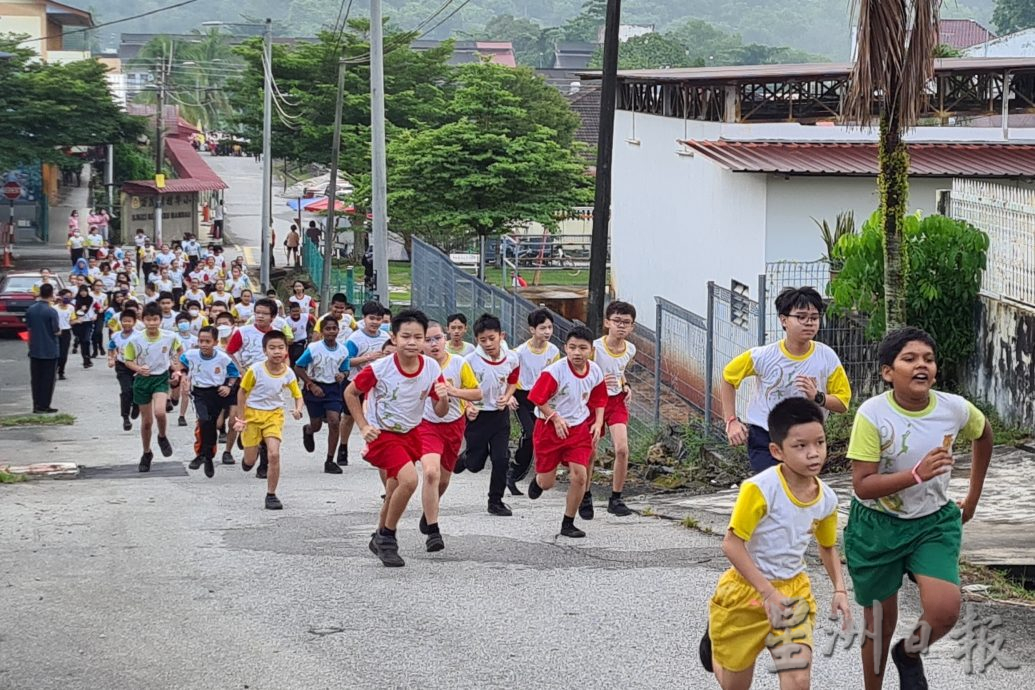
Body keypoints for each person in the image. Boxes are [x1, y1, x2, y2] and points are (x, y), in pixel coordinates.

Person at [843, 327, 992, 690]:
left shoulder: (953, 408)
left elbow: (984, 434)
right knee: (880, 623)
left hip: (932, 522)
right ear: (888, 372)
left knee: (944, 610)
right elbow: (863, 484)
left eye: (928, 359)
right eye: (909, 359)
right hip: (876, 525)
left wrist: (972, 498)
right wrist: (915, 474)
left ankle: (909, 653)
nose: (921, 365)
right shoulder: (872, 415)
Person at [701, 397, 851, 689]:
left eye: (820, 443)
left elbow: (827, 546)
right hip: (746, 593)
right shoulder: (759, 489)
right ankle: (716, 648)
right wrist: (767, 592)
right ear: (777, 451)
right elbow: (731, 544)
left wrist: (840, 589)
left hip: (794, 592)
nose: (814, 453)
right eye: (800, 446)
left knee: (798, 679)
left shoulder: (827, 499)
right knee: (735, 685)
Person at [345, 308, 448, 567]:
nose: (412, 342)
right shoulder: (380, 368)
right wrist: (363, 426)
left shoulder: (431, 367)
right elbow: (350, 393)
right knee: (410, 480)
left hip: (411, 434)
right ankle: (388, 538)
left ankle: (378, 535)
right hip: (383, 434)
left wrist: (444, 398)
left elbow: (440, 410)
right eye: (405, 336)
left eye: (418, 337)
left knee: (393, 490)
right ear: (393, 338)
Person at [721, 287, 852, 474]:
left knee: (800, 487)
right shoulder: (762, 356)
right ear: (784, 320)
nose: (809, 323)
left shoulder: (827, 357)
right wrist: (731, 421)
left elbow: (843, 403)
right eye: (801, 317)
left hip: (807, 439)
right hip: (766, 435)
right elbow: (728, 378)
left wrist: (818, 397)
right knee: (774, 484)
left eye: (814, 318)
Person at [526, 326, 607, 538]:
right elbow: (536, 397)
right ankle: (538, 482)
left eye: (582, 348)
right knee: (548, 483)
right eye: (572, 347)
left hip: (578, 428)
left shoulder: (595, 371)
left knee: (580, 476)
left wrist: (598, 422)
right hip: (548, 428)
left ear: (591, 350)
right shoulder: (555, 372)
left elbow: (600, 398)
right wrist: (554, 417)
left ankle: (568, 523)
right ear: (565, 348)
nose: (577, 353)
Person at [416, 320, 482, 551]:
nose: (433, 344)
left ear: (445, 339)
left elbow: (477, 393)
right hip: (426, 425)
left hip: (454, 426)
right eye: (427, 340)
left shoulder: (459, 363)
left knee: (443, 480)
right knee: (430, 473)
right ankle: (433, 531)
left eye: (437, 338)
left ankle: (429, 511)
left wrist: (455, 392)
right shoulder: (418, 366)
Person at [234, 331, 304, 510]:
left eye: (281, 347)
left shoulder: (288, 372)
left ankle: (271, 495)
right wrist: (241, 418)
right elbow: (242, 392)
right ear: (265, 350)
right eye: (272, 348)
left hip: (274, 415)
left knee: (274, 454)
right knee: (249, 462)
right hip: (252, 416)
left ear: (286, 350)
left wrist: (298, 409)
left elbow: (297, 395)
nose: (277, 351)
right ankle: (253, 449)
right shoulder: (255, 370)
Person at [460, 313, 520, 517]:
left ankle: (495, 501)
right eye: (482, 340)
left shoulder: (511, 357)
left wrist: (508, 396)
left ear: (501, 336)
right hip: (477, 417)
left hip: (499, 415)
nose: (487, 344)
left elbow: (514, 379)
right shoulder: (469, 361)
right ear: (476, 339)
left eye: (491, 338)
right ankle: (464, 459)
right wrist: (468, 406)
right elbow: (460, 387)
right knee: (475, 465)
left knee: (501, 459)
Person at [583, 300, 639, 519]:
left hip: (616, 401)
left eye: (626, 322)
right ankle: (585, 494)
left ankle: (616, 498)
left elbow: (619, 370)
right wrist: (596, 384)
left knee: (622, 449)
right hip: (594, 402)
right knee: (591, 451)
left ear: (632, 326)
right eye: (617, 321)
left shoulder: (630, 349)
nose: (621, 326)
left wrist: (626, 385)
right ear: (607, 322)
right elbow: (582, 372)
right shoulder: (595, 348)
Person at [123, 302, 184, 472]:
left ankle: (162, 436)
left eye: (155, 319)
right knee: (147, 422)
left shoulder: (170, 337)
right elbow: (128, 360)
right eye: (148, 320)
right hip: (142, 381)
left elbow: (180, 352)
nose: (152, 323)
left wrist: (177, 370)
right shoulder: (135, 340)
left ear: (160, 320)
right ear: (142, 320)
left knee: (160, 412)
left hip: (160, 378)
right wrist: (138, 368)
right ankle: (146, 452)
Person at [507, 309, 560, 496]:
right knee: (529, 434)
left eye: (550, 327)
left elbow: (555, 377)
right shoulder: (519, 352)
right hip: (522, 397)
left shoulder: (553, 351)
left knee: (542, 438)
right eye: (542, 328)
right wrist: (509, 395)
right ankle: (513, 472)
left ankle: (526, 475)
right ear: (532, 329)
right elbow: (508, 375)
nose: (547, 332)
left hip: (542, 398)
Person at [294, 316, 351, 475]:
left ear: (338, 330)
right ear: (322, 331)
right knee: (317, 424)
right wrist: (311, 384)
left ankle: (330, 460)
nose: (331, 332)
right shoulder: (314, 348)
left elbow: (346, 369)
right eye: (328, 328)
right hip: (314, 387)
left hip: (333, 389)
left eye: (334, 328)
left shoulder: (343, 350)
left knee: (334, 421)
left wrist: (343, 375)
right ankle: (309, 430)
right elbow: (298, 367)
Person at [182, 326, 240, 478]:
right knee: (203, 420)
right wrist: (182, 377)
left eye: (207, 341)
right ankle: (202, 454)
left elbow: (234, 374)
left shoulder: (222, 358)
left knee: (212, 424)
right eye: (201, 341)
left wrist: (228, 387)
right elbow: (181, 365)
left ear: (215, 342)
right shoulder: (191, 354)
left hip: (216, 393)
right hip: (199, 392)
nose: (203, 344)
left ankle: (207, 457)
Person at [339, 301, 391, 466]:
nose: (375, 322)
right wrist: (367, 358)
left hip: (376, 385)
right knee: (349, 417)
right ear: (364, 318)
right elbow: (346, 361)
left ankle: (374, 450)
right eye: (371, 318)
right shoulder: (355, 339)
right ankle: (343, 446)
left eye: (378, 319)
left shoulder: (386, 337)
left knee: (376, 417)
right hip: (355, 382)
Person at [25, 283, 60, 414]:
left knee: (36, 378)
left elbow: (28, 328)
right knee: (48, 379)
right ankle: (45, 404)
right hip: (49, 349)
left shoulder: (31, 309)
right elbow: (56, 330)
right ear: (51, 294)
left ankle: (36, 404)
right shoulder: (51, 311)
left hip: (35, 348)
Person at [107, 309, 141, 431]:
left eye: (129, 321)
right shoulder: (115, 335)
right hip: (122, 366)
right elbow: (111, 347)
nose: (126, 323)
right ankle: (125, 417)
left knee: (136, 388)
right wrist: (111, 359)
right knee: (126, 390)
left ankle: (136, 404)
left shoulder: (139, 335)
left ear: (134, 322)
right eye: (124, 321)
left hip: (136, 365)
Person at [71, 284, 96, 369]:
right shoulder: (75, 300)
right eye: (81, 291)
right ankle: (85, 360)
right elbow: (73, 311)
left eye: (85, 291)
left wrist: (95, 315)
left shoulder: (91, 299)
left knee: (86, 340)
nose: (83, 293)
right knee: (82, 342)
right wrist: (80, 310)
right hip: (78, 323)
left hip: (88, 322)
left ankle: (87, 358)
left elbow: (97, 307)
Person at [54, 288, 75, 381]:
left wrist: (77, 321)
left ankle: (61, 372)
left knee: (63, 354)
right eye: (66, 297)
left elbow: (72, 320)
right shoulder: (54, 308)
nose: (68, 299)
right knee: (56, 353)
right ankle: (53, 370)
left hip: (66, 332)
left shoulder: (71, 308)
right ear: (61, 297)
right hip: (56, 332)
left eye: (70, 297)